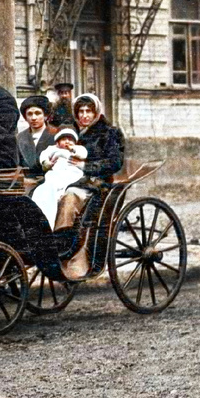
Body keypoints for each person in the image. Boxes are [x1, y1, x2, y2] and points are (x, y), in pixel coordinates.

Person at [53, 94, 125, 279]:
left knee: (69, 197)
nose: (84, 115)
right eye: (81, 111)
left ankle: (65, 244)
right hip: (72, 179)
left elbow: (115, 163)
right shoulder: (72, 133)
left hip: (97, 184)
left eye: (89, 111)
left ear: (96, 112)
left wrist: (86, 167)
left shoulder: (110, 133)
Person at [30, 127, 86, 227]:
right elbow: (44, 155)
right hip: (57, 173)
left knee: (65, 185)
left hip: (72, 172)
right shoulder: (53, 149)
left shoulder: (77, 149)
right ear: (58, 142)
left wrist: (72, 149)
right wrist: (47, 163)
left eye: (70, 139)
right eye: (64, 139)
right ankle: (44, 218)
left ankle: (59, 193)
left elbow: (83, 154)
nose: (67, 142)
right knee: (43, 189)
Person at [16, 95, 57, 173]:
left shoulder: (56, 135)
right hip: (26, 181)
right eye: (30, 114)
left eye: (38, 113)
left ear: (45, 116)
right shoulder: (19, 138)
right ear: (25, 117)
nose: (33, 118)